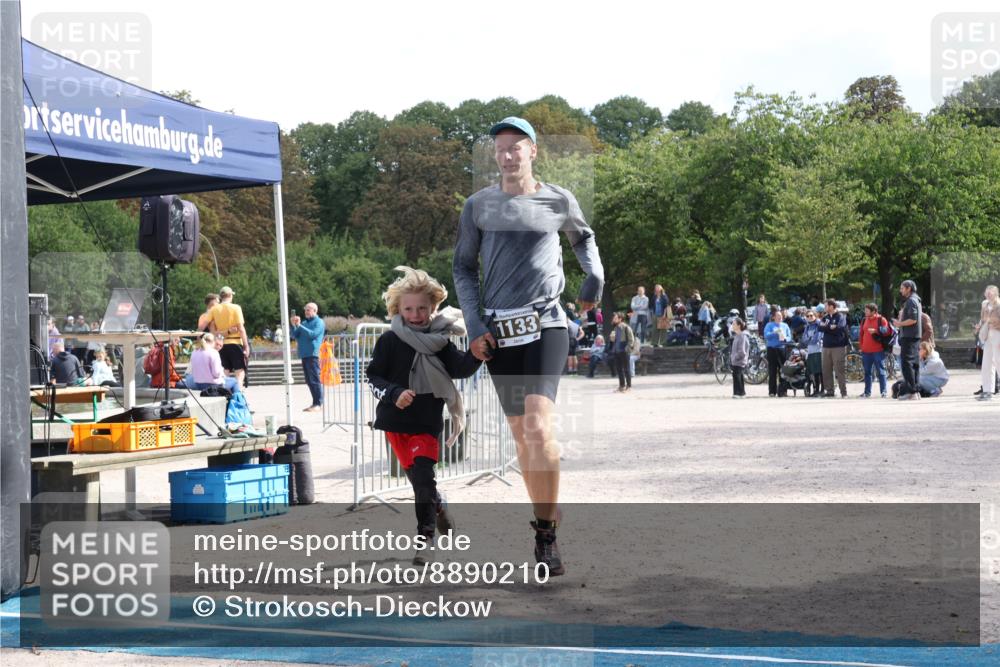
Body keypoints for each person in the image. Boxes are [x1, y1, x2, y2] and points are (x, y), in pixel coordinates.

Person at [453, 116, 603, 576]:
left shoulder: (558, 199)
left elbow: (584, 237)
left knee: (539, 429)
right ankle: (546, 511)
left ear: (533, 151)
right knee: (522, 436)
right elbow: (463, 270)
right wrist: (476, 327)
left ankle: (545, 536)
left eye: (516, 146)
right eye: (500, 147)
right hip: (500, 333)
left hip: (547, 323)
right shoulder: (478, 206)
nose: (507, 154)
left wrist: (593, 276)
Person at [366, 267, 480, 564]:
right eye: (408, 309)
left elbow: (461, 368)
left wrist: (478, 353)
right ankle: (439, 506)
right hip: (396, 422)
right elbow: (373, 377)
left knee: (424, 477)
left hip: (427, 423)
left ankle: (425, 539)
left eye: (422, 308)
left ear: (434, 307)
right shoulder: (390, 341)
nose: (415, 314)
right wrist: (394, 393)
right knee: (420, 484)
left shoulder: (441, 341)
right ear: (397, 309)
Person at [208, 286, 250, 389]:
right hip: (235, 343)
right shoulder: (236, 308)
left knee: (225, 372)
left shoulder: (214, 310)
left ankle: (225, 394)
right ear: (230, 295)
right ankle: (239, 394)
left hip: (221, 345)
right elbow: (241, 329)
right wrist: (246, 346)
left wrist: (225, 332)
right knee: (239, 372)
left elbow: (213, 332)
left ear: (221, 297)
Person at [290, 302, 327, 412]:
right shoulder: (305, 323)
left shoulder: (319, 322)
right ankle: (314, 403)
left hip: (313, 354)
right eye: (305, 310)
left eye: (308, 310)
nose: (306, 312)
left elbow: (313, 334)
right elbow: (294, 335)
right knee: (309, 380)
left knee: (314, 379)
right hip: (304, 354)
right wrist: (293, 325)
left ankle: (318, 403)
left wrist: (300, 325)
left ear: (315, 311)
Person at [892, 280, 923, 400]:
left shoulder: (911, 301)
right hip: (914, 336)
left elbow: (913, 319)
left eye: (902, 288)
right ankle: (915, 391)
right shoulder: (917, 300)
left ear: (908, 288)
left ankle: (911, 392)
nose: (901, 291)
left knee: (907, 364)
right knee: (914, 364)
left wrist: (899, 323)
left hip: (909, 336)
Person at [817, 299, 849, 398]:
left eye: (826, 306)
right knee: (826, 369)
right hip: (826, 347)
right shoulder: (825, 317)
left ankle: (843, 392)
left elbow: (839, 329)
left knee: (839, 370)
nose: (825, 308)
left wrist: (827, 327)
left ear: (831, 306)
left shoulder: (841, 316)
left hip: (838, 346)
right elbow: (820, 328)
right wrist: (830, 327)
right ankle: (830, 391)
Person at [858, 303, 890, 398]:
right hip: (866, 351)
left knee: (881, 371)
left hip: (878, 350)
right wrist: (861, 346)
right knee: (867, 372)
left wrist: (876, 330)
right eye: (865, 310)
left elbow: (887, 331)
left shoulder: (881, 319)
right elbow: (861, 334)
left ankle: (883, 392)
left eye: (867, 310)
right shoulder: (864, 320)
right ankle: (867, 392)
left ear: (874, 311)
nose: (865, 312)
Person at [974, 284, 1000, 402]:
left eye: (990, 293)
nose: (988, 295)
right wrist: (980, 325)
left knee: (999, 361)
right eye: (986, 293)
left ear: (996, 294)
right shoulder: (984, 304)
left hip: (997, 333)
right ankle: (987, 391)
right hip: (988, 334)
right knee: (986, 363)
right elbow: (983, 318)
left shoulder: (999, 305)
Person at [763, 310, 792, 397]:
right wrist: (774, 333)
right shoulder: (769, 325)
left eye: (781, 316)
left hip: (782, 349)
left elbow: (789, 336)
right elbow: (766, 335)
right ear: (774, 317)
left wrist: (785, 338)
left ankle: (783, 391)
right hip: (772, 349)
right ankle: (772, 391)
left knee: (783, 370)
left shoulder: (785, 325)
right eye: (778, 316)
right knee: (772, 370)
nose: (780, 317)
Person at [609, 312, 634, 393]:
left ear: (620, 319)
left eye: (615, 318)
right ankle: (622, 386)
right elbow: (614, 340)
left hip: (624, 351)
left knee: (626, 369)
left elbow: (631, 340)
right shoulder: (615, 328)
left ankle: (629, 386)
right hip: (616, 351)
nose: (613, 319)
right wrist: (612, 339)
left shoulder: (626, 327)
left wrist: (627, 349)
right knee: (619, 369)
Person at [800, 309, 823, 397]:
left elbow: (816, 339)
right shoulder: (807, 327)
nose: (809, 317)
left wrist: (809, 339)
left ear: (815, 315)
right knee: (814, 372)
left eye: (811, 315)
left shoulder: (819, 324)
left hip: (819, 350)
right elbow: (804, 339)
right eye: (807, 316)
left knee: (820, 371)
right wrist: (810, 339)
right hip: (810, 351)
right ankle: (816, 390)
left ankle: (822, 390)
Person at [730, 317, 749, 398]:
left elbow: (742, 351)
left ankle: (738, 393)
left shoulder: (742, 336)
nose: (732, 325)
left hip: (739, 361)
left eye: (734, 324)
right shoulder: (737, 335)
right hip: (736, 361)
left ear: (739, 325)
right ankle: (741, 393)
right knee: (737, 376)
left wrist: (735, 358)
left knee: (738, 377)